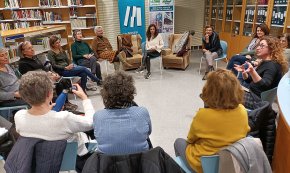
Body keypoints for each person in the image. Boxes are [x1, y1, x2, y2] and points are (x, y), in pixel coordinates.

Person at [15, 71, 94, 172]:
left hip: (41, 162)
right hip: (74, 158)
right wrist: (85, 98)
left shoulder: (19, 116)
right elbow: (91, 122)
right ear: (49, 94)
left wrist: (48, 111)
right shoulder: (64, 118)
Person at [174, 69, 250, 173]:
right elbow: (245, 133)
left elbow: (191, 139)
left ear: (208, 90)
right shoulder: (242, 110)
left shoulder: (203, 115)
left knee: (178, 142)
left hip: (202, 165)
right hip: (231, 162)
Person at [93, 71, 152, 155]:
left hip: (107, 163)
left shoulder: (98, 116)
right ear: (131, 91)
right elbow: (148, 132)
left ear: (105, 94)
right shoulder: (141, 112)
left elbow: (97, 136)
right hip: (140, 161)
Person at [17, 41, 77, 111]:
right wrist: (48, 77)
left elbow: (44, 69)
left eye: (32, 47)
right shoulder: (23, 63)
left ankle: (65, 103)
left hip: (45, 78)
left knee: (63, 80)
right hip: (36, 84)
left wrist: (52, 73)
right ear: (23, 52)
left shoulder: (34, 59)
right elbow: (31, 77)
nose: (32, 49)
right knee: (60, 84)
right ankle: (59, 105)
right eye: (29, 48)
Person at [234, 36, 288, 109]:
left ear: (271, 49)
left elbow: (265, 84)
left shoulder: (272, 65)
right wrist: (244, 72)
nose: (257, 48)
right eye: (259, 45)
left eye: (262, 46)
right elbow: (249, 80)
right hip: (254, 95)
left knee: (226, 93)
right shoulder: (265, 62)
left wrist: (252, 71)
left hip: (256, 101)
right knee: (227, 89)